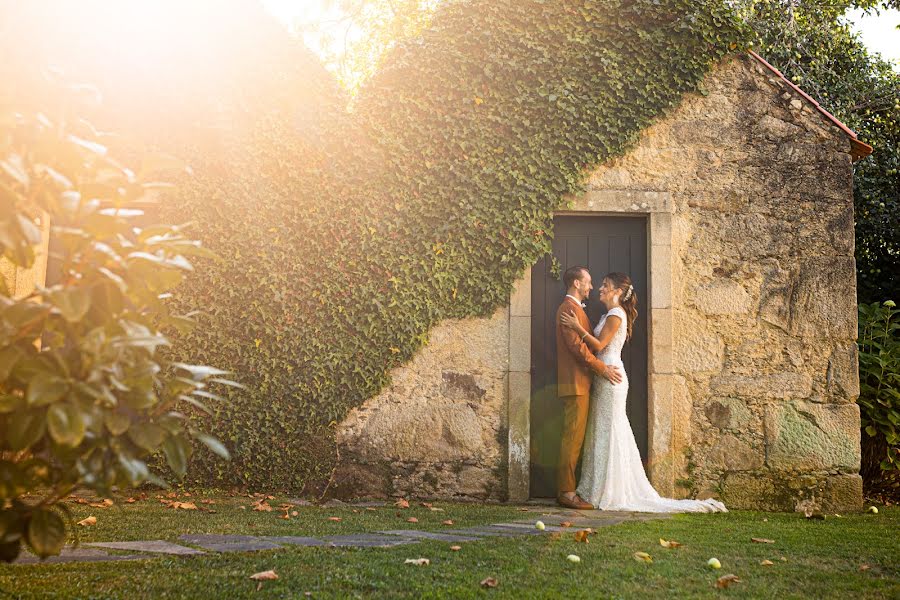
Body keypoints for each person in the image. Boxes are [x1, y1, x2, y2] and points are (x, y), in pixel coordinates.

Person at [560, 272, 727, 513]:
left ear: (618, 292)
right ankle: (598, 487)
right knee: (602, 430)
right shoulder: (609, 314)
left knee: (612, 429)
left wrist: (577, 327)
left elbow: (599, 346)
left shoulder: (616, 314)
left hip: (611, 376)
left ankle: (615, 489)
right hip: (602, 375)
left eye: (605, 286)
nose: (600, 289)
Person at [555, 266, 622, 510]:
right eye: (588, 282)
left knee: (575, 438)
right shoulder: (568, 309)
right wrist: (601, 369)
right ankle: (566, 492)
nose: (591, 287)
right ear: (576, 283)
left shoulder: (574, 310)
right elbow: (577, 349)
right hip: (575, 383)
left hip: (581, 383)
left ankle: (569, 489)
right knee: (572, 438)